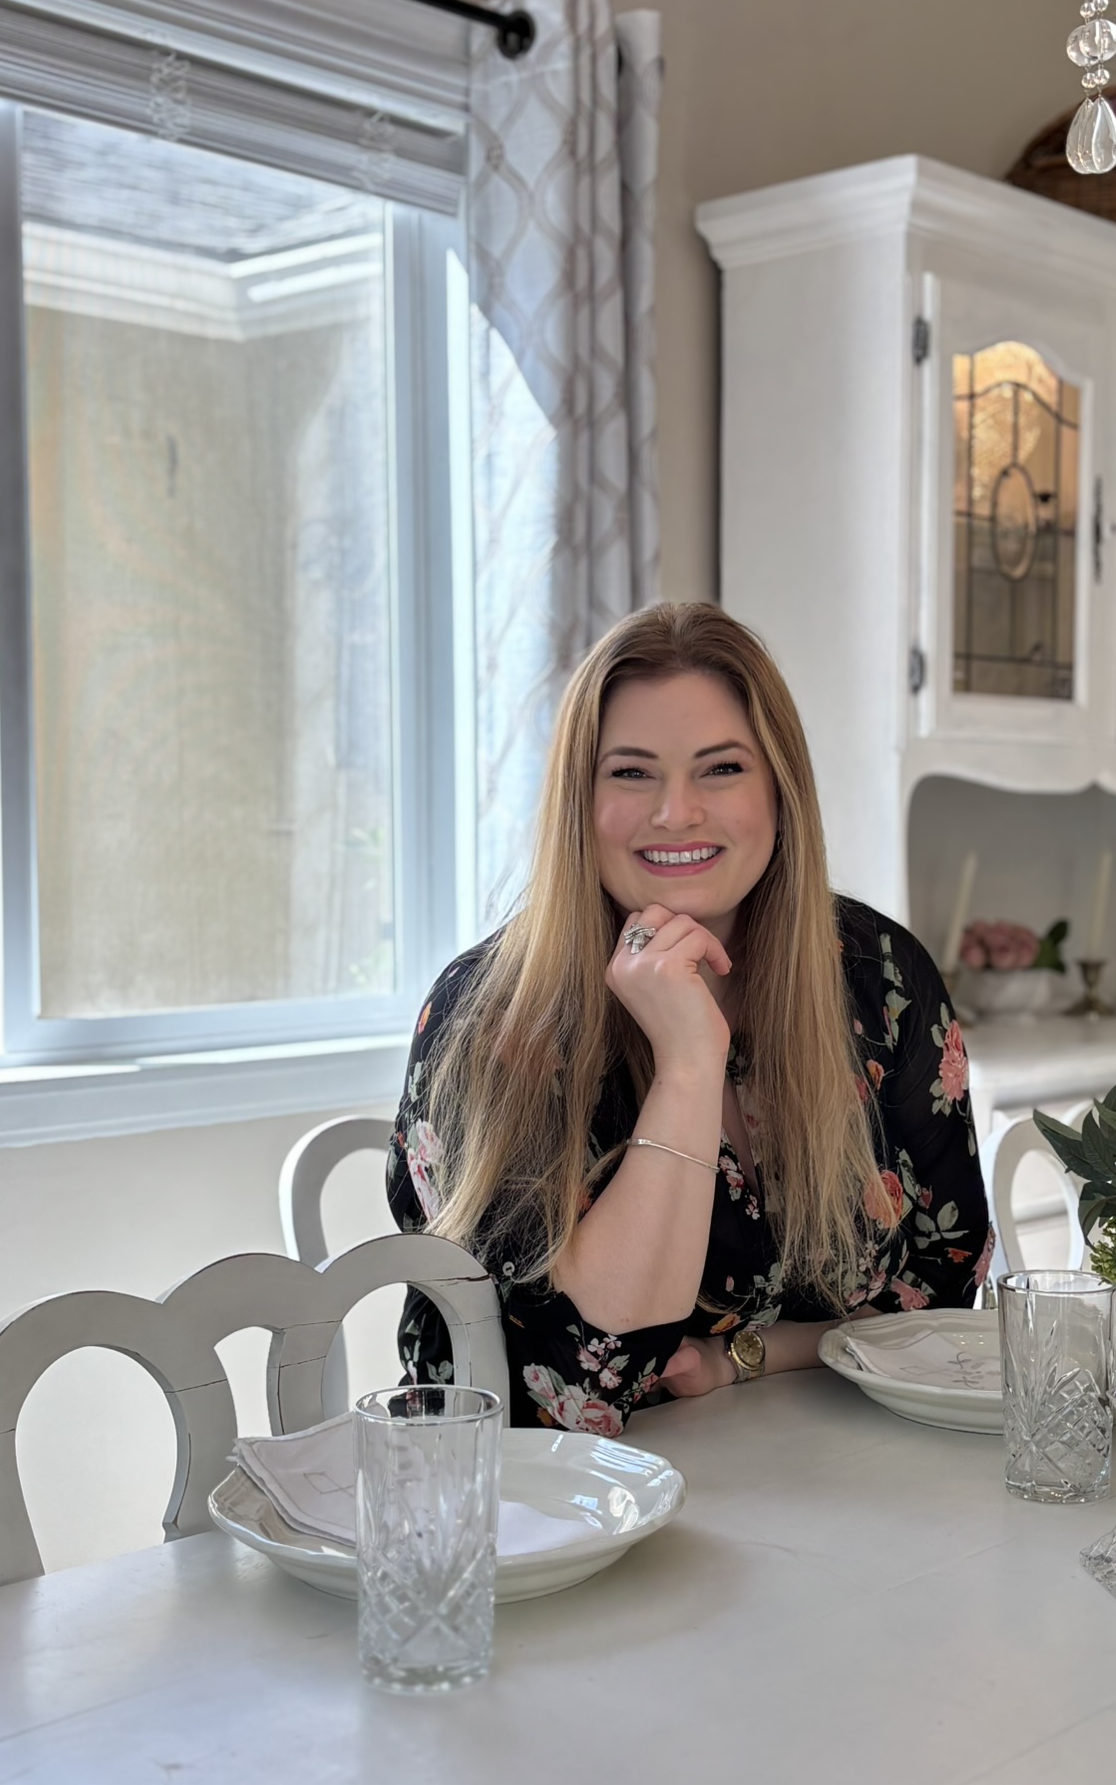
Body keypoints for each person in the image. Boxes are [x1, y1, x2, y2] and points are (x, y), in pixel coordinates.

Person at [387, 603, 991, 1434]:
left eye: (722, 769)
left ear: (780, 789)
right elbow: (585, 1379)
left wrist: (744, 1356)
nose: (676, 812)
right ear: (579, 799)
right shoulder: (491, 1018)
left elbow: (942, 1286)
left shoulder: (877, 974)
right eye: (631, 773)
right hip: (526, 1498)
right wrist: (689, 1063)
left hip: (817, 1470)